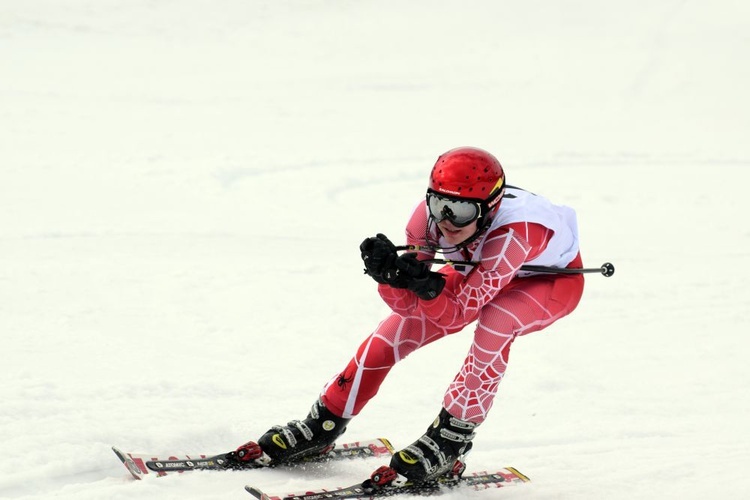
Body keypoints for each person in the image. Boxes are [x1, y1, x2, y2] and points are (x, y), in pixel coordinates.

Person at [232, 146, 585, 485]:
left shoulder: (514, 234)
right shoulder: (425, 221)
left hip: (545, 281)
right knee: (395, 331)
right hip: (480, 273)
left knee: (496, 321)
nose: (447, 220)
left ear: (489, 209)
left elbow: (457, 314)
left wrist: (427, 288)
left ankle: (452, 438)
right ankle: (326, 419)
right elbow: (407, 308)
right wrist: (390, 278)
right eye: (440, 204)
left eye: (461, 212)